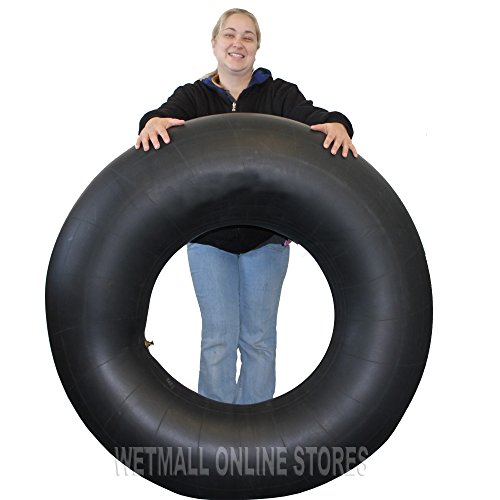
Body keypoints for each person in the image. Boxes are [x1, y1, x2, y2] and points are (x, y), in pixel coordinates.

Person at [136, 8, 357, 405]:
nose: (237, 43)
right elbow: (158, 118)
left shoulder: (278, 94)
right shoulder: (195, 96)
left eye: (247, 37)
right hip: (209, 239)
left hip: (266, 239)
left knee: (259, 339)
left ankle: (254, 428)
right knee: (218, 339)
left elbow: (318, 119)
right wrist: (150, 122)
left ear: (257, 47)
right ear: (215, 43)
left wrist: (340, 124)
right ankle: (216, 427)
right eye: (230, 34)